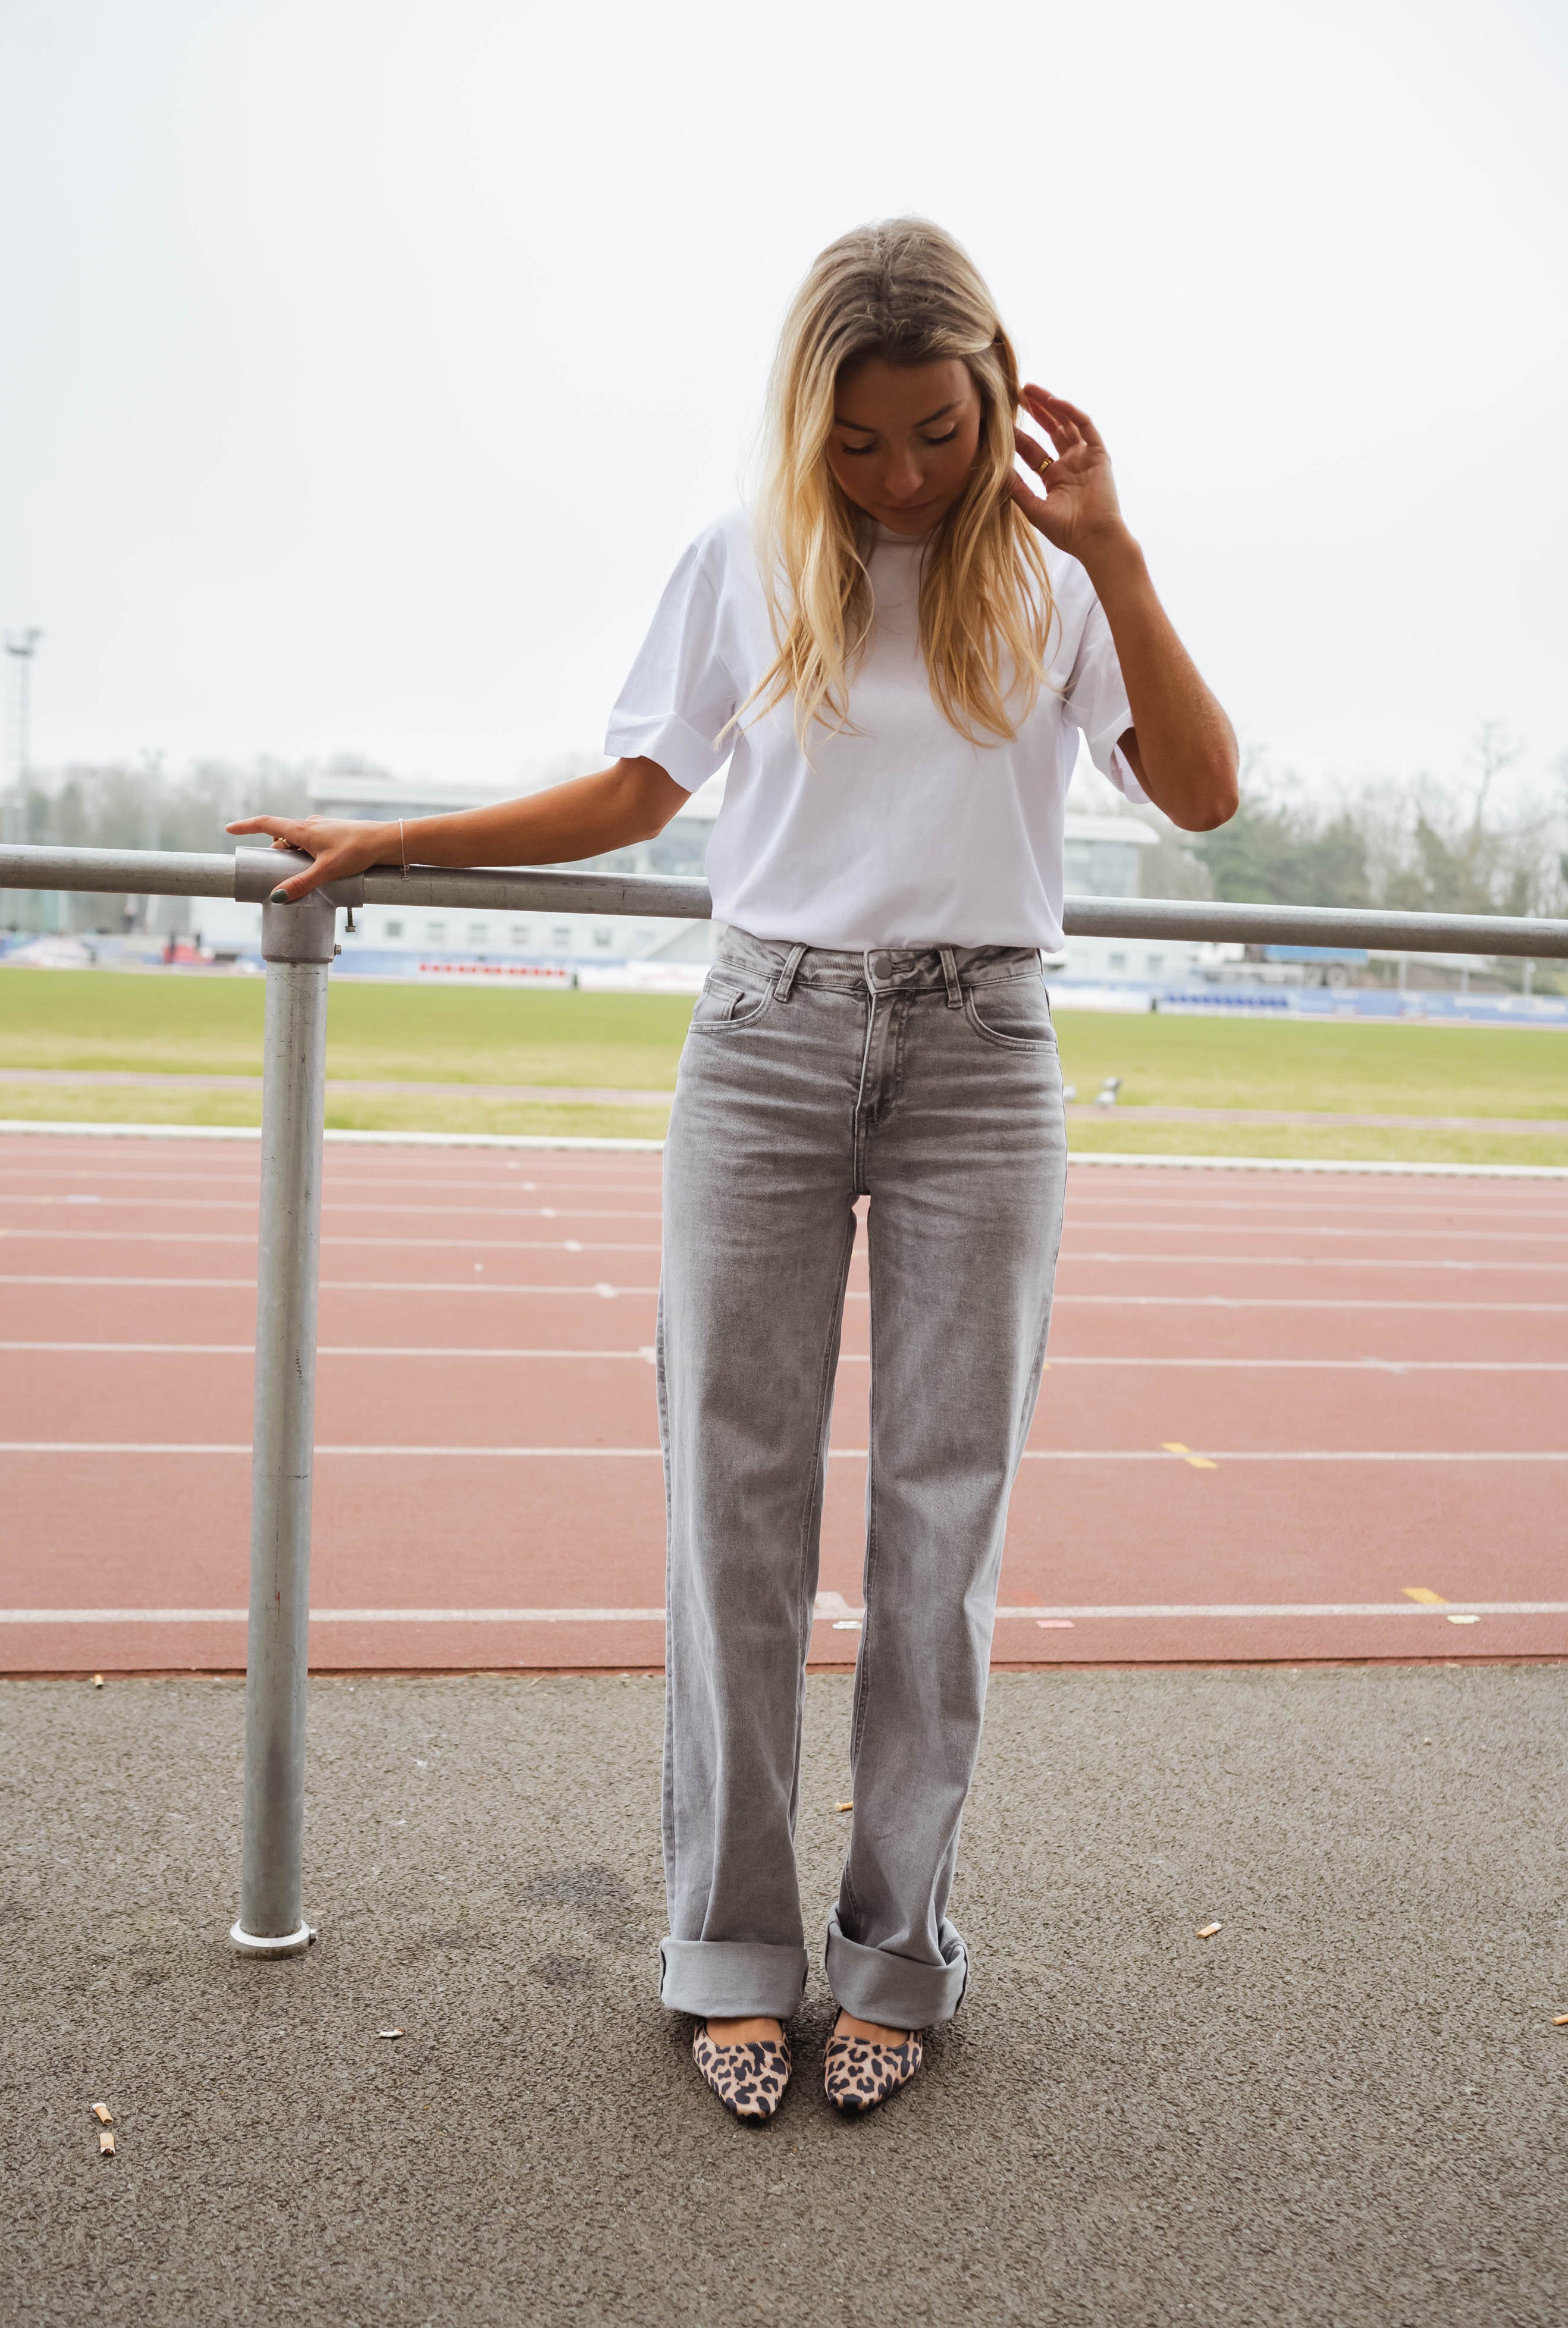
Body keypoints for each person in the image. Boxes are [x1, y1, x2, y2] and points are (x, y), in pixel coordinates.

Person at [229, 217, 1237, 2125]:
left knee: (939, 1539)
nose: (901, 479)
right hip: (765, 1042)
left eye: (936, 433)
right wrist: (396, 837)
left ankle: (895, 1950)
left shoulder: (1050, 571)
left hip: (980, 1054)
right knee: (733, 1520)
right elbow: (634, 793)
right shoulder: (741, 556)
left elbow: (1197, 792)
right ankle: (727, 1952)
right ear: (809, 420)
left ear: (993, 395)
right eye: (860, 443)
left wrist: (1115, 548)